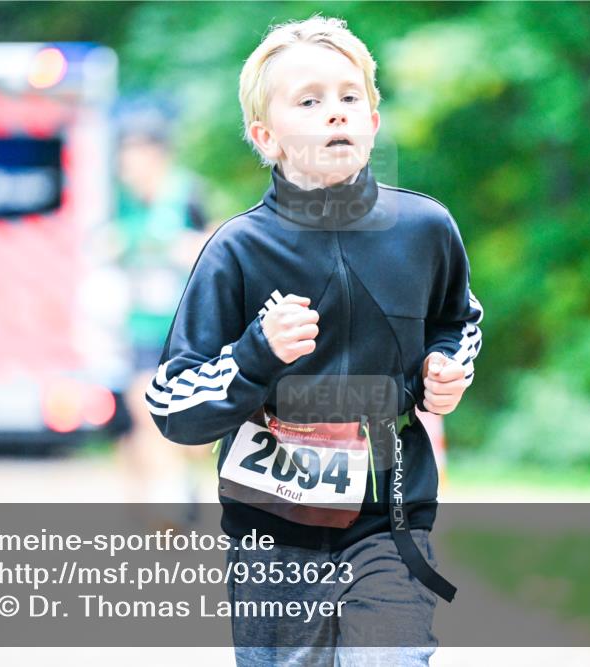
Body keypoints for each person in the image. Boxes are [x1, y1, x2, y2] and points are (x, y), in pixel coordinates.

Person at [144, 16, 483, 666]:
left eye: (350, 97)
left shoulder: (425, 229)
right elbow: (173, 405)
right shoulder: (236, 251)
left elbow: (459, 320)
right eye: (310, 100)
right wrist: (255, 353)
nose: (336, 113)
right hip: (273, 534)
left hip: (390, 518)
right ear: (265, 137)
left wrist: (447, 366)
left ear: (374, 122)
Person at [111, 100, 213, 506]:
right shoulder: (125, 202)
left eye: (133, 159)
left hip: (186, 328)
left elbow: (213, 245)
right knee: (143, 410)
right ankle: (163, 505)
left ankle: (183, 482)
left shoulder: (186, 193)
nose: (127, 169)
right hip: (140, 328)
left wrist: (180, 247)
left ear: (156, 156)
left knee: (189, 432)